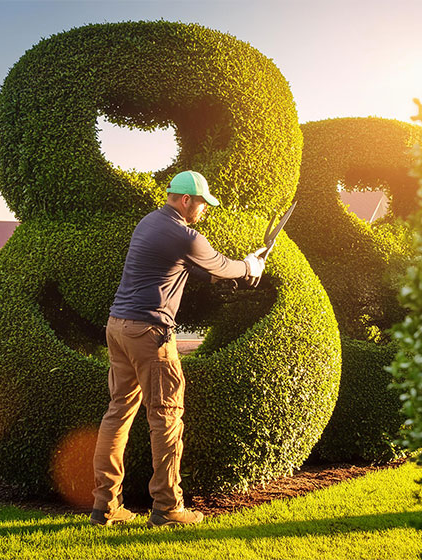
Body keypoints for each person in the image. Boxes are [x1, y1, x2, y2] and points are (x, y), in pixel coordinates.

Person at [90, 170, 265, 528]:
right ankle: (168, 508)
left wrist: (235, 270)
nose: (203, 210)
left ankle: (105, 507)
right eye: (201, 203)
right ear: (186, 200)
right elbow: (219, 264)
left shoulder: (150, 223)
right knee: (167, 417)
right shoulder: (184, 234)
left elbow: (197, 269)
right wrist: (250, 265)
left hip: (119, 326)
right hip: (150, 334)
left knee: (118, 414)